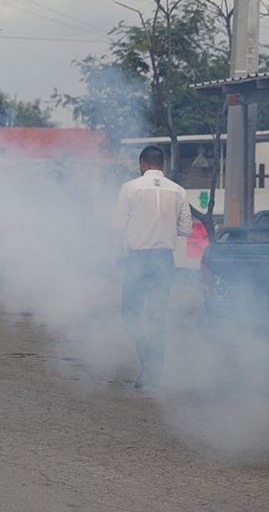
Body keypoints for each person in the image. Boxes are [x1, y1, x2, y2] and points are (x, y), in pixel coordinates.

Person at [111, 145, 192, 389]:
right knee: (157, 316)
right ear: (162, 165)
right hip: (165, 260)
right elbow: (185, 229)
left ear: (142, 164)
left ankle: (148, 364)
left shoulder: (130, 188)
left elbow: (116, 225)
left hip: (138, 259)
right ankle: (156, 367)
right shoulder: (178, 191)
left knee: (130, 313)